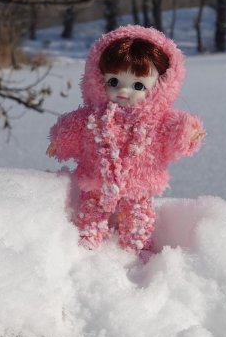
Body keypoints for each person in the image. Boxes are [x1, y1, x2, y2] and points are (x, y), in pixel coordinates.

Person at [47, 25, 205, 253]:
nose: (124, 91)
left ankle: (138, 250)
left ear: (160, 86)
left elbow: (175, 130)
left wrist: (188, 133)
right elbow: (74, 128)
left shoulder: (158, 120)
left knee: (138, 221)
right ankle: (86, 246)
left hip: (139, 187)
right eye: (113, 81)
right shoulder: (94, 117)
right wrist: (60, 141)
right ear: (99, 79)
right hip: (96, 183)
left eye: (138, 85)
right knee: (91, 215)